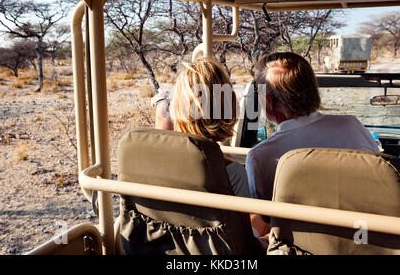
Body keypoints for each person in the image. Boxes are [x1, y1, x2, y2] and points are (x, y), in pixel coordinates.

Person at [246, 52, 380, 235]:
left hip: (300, 243)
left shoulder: (261, 155)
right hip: (364, 237)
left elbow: (267, 217)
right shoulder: (352, 126)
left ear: (268, 102)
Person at [151, 57, 251, 198]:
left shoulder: (155, 164)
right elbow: (246, 219)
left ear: (177, 108)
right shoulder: (233, 174)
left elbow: (162, 133)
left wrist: (162, 105)